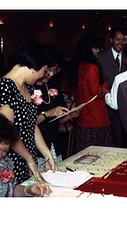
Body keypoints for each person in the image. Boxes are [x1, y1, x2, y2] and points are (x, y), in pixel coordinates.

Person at [0, 40, 58, 184]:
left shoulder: (28, 88)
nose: (44, 75)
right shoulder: (4, 87)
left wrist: (47, 155)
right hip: (8, 160)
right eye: (44, 70)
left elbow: (31, 125)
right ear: (34, 66)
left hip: (25, 159)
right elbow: (7, 131)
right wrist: (29, 158)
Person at [34, 43, 80, 171]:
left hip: (55, 144)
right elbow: (27, 124)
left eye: (55, 70)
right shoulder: (28, 88)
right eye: (49, 69)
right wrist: (47, 113)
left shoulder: (54, 87)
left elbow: (58, 121)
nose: (51, 73)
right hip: (36, 148)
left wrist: (69, 115)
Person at [70, 35, 113, 153]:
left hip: (83, 117)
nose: (98, 50)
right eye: (95, 48)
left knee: (85, 154)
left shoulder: (79, 65)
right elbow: (96, 91)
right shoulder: (92, 67)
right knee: (100, 154)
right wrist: (105, 88)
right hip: (96, 117)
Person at [97, 28, 127, 147]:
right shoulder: (101, 56)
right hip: (107, 102)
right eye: (118, 39)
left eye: (124, 40)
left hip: (124, 103)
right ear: (111, 39)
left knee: (123, 136)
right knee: (111, 137)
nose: (121, 43)